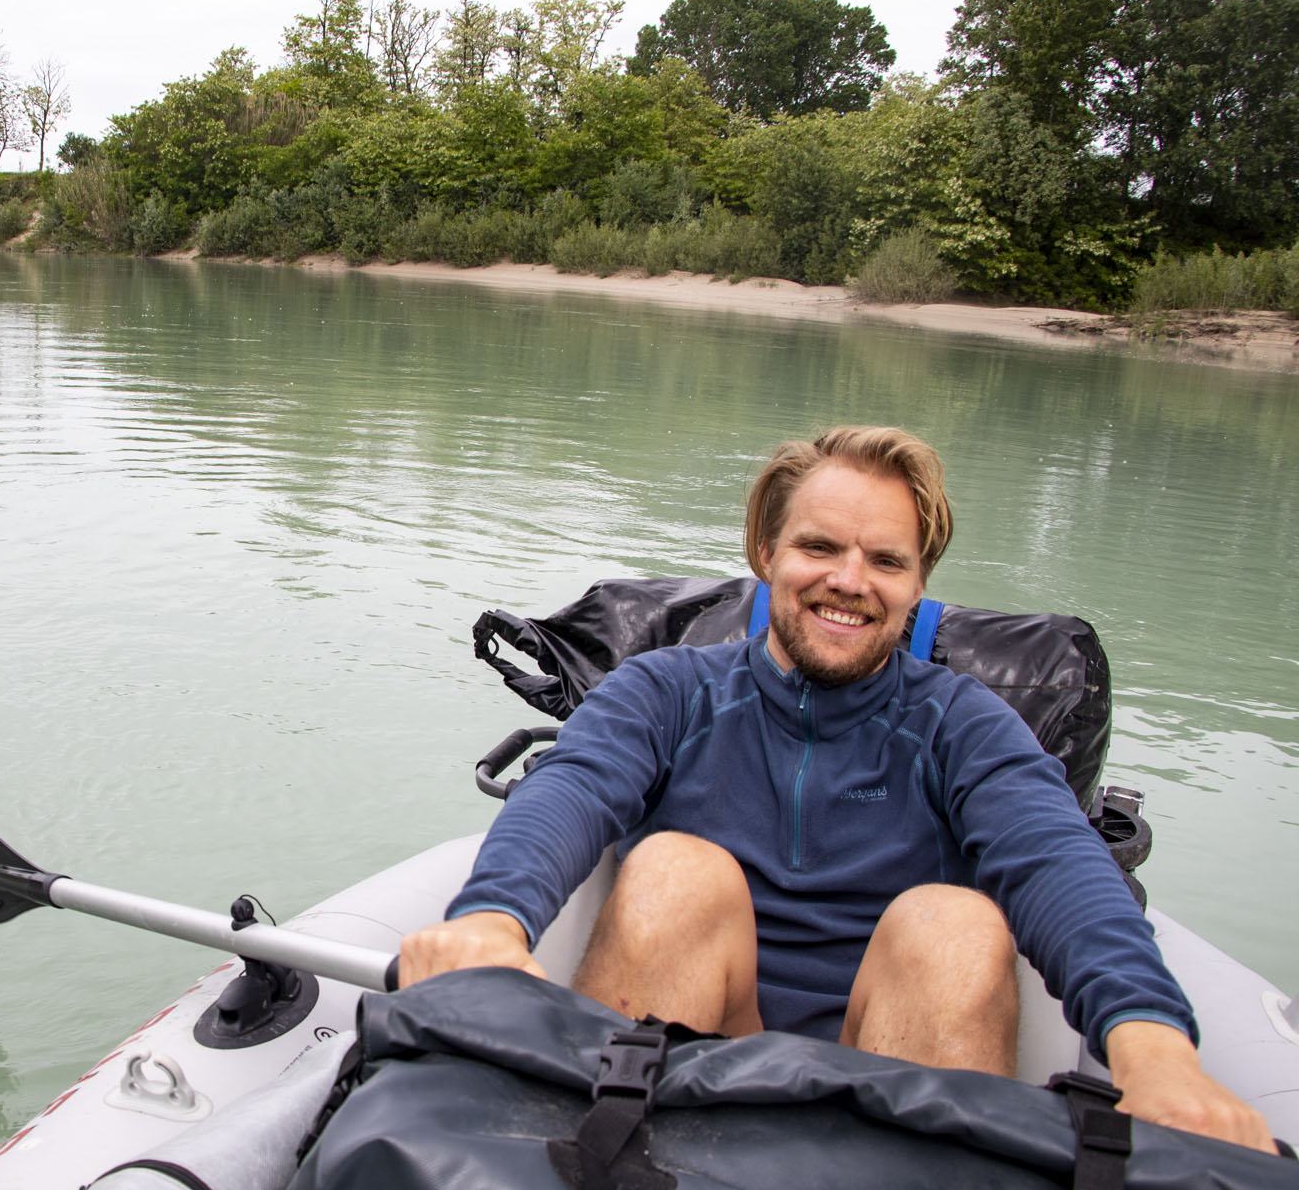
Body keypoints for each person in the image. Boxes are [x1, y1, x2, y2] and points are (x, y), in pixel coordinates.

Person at [401, 426, 1274, 1153]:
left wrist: (1155, 1051)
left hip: (890, 1094)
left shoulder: (960, 724)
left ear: (918, 581)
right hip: (685, 1082)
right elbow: (574, 788)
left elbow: (1054, 859)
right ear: (765, 553)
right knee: (673, 869)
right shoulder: (668, 689)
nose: (850, 581)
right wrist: (490, 920)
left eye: (885, 560)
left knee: (956, 923)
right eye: (819, 546)